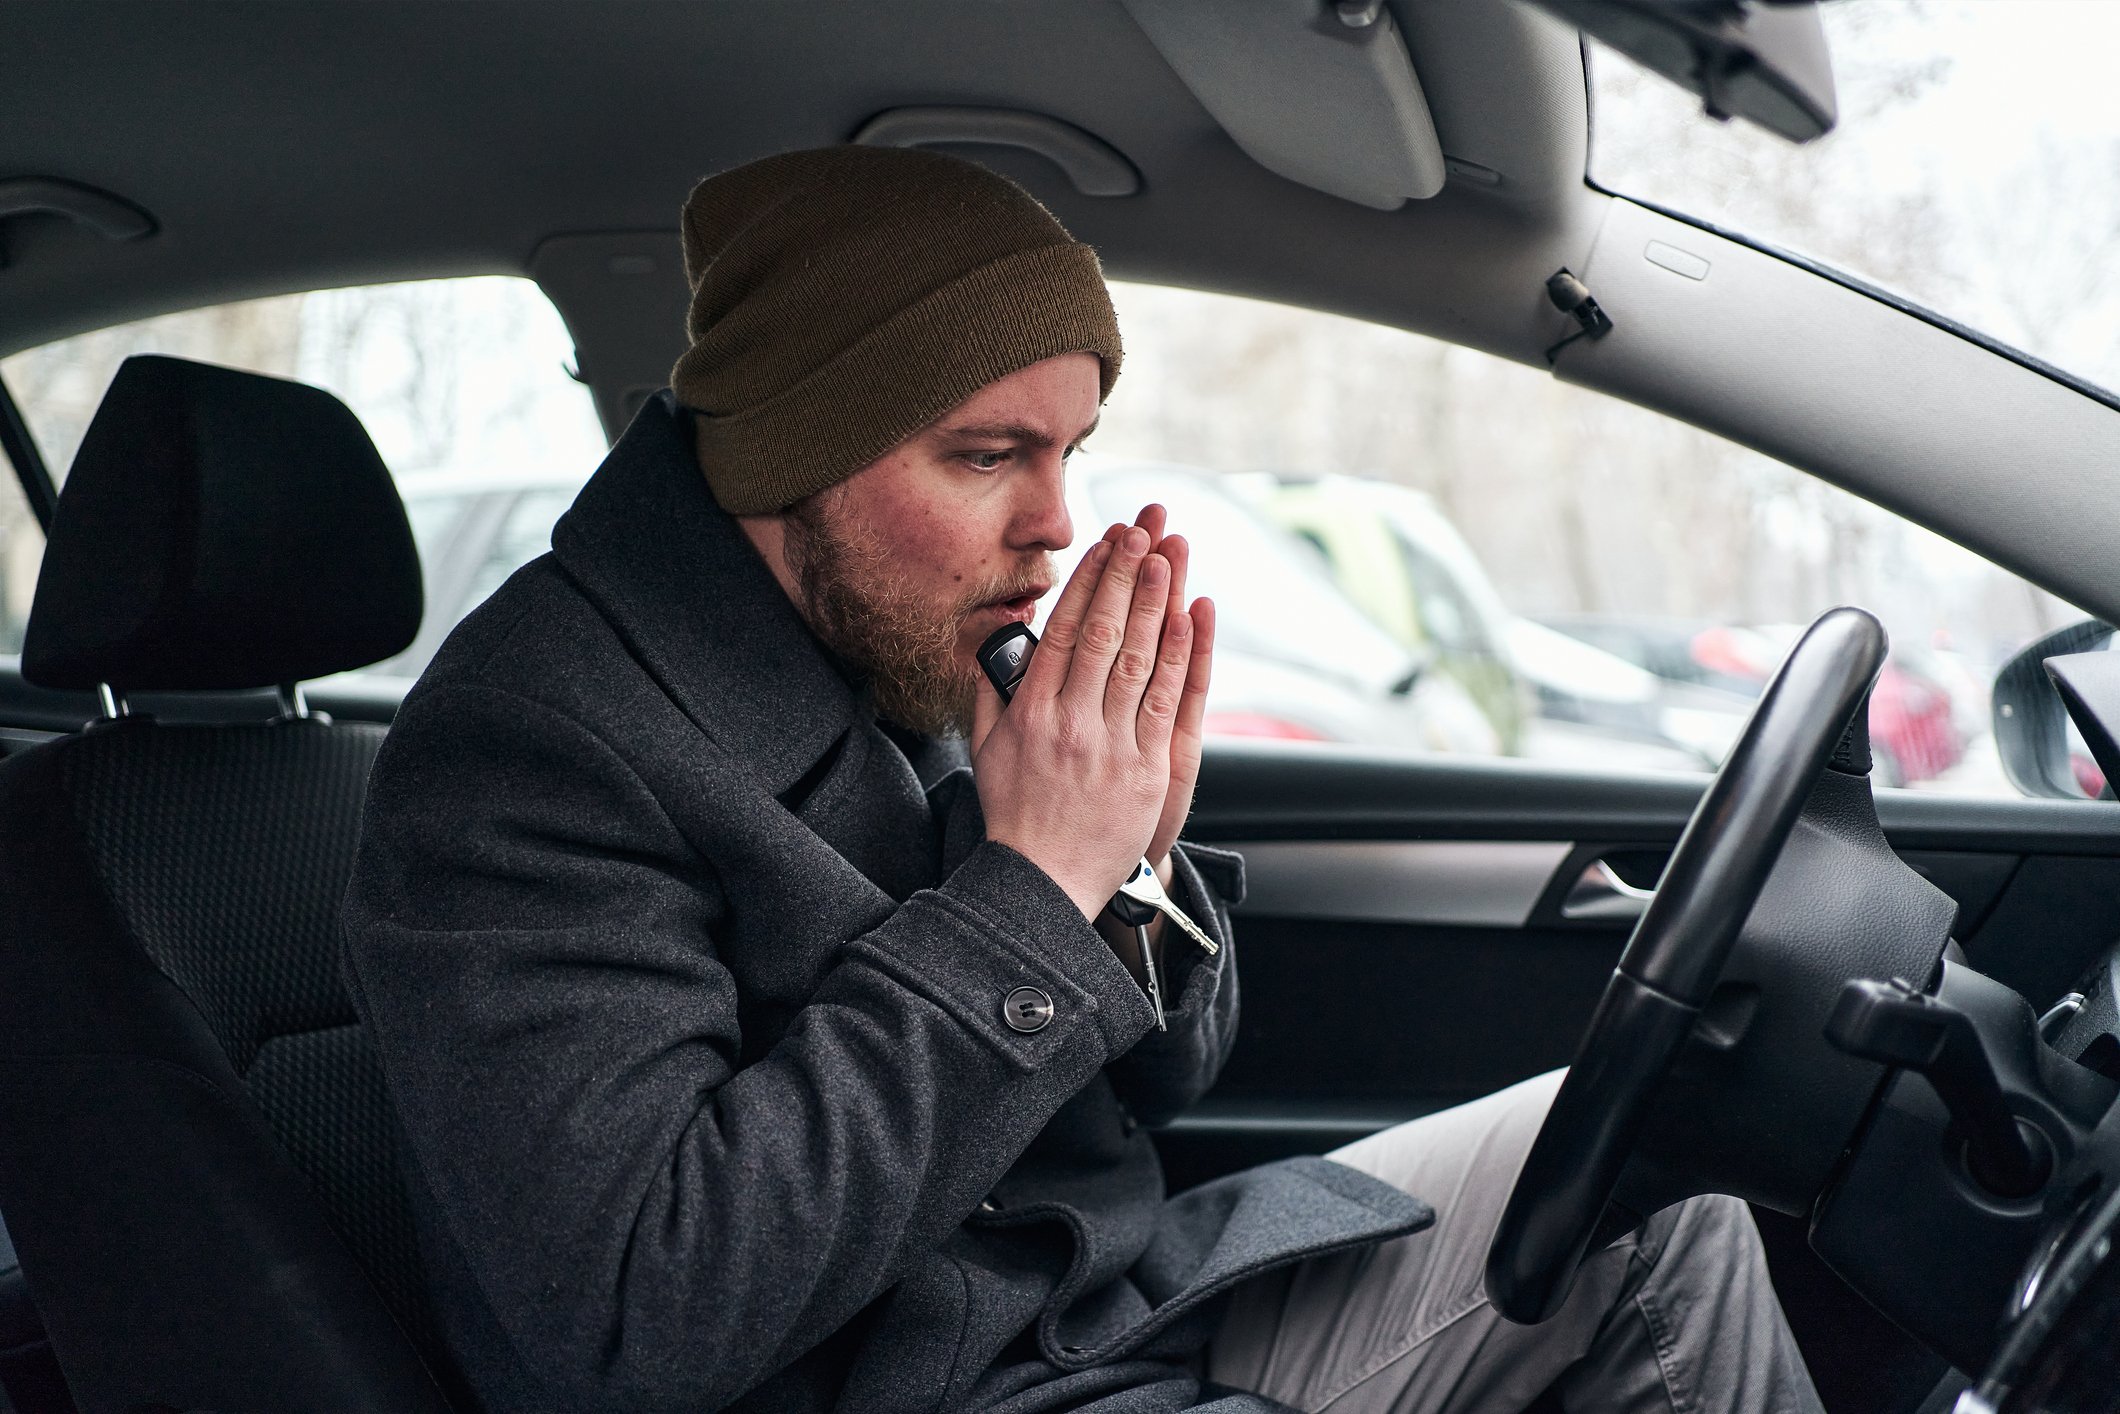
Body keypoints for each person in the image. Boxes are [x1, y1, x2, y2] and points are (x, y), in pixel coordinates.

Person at [340, 145, 1822, 1414]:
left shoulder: (902, 633)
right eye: (989, 454)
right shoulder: (534, 743)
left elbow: (1170, 1074)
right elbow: (643, 1306)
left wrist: (1133, 857)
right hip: (932, 1385)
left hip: (1102, 1312)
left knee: (1652, 1183)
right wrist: (1036, 884)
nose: (1056, 522)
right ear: (796, 456)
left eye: (1070, 450)